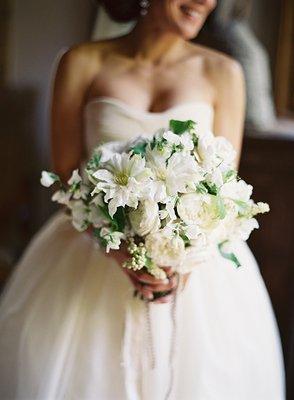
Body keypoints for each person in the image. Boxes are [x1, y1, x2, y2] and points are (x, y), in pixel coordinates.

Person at [0, 1, 285, 399]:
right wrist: (116, 251)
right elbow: (66, 177)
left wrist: (181, 258)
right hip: (88, 251)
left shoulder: (224, 73)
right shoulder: (82, 62)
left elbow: (223, 188)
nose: (206, 1)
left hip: (195, 271)